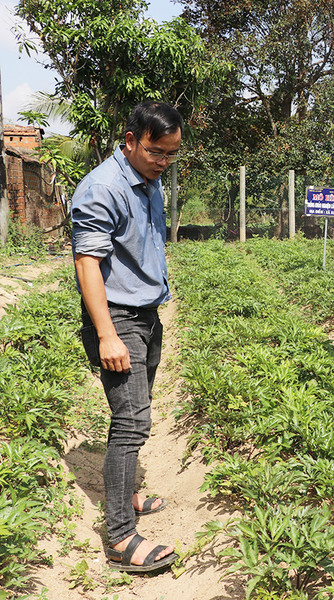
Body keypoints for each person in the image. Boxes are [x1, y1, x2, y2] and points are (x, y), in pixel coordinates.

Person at [72, 101, 182, 573]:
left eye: (172, 154)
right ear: (131, 139)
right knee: (131, 420)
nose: (163, 162)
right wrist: (107, 335)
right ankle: (118, 537)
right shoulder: (102, 186)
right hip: (118, 319)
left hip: (145, 314)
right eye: (157, 151)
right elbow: (87, 263)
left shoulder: (149, 181)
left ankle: (125, 495)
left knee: (138, 411)